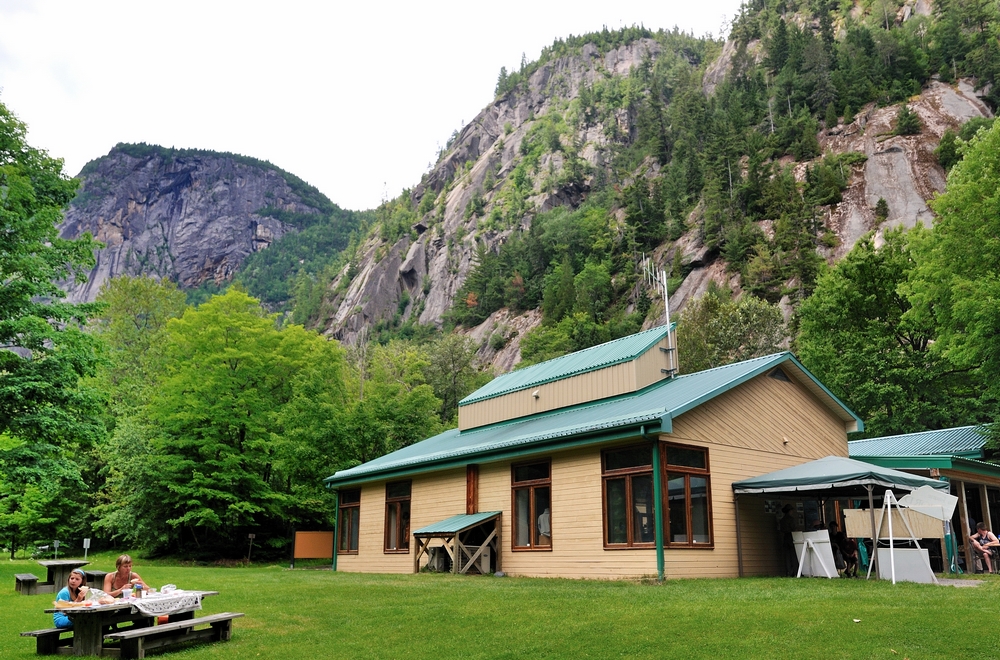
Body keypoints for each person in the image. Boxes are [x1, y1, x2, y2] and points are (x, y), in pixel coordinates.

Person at [779, 503, 799, 576]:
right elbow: (794, 528)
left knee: (787, 556)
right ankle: (795, 572)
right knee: (793, 555)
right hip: (791, 537)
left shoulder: (782, 520)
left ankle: (788, 572)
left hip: (785, 538)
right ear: (790, 511)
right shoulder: (791, 519)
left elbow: (781, 529)